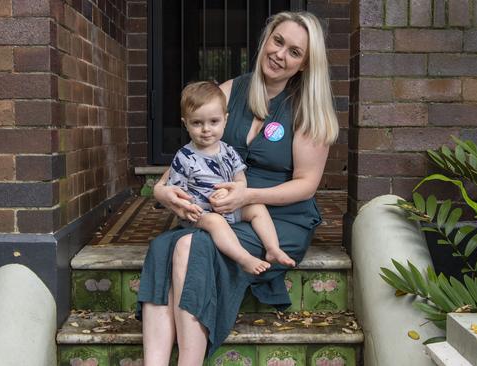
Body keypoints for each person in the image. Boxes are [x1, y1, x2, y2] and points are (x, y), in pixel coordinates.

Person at [137, 11, 339, 365]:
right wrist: (162, 193)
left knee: (191, 246)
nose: (280, 54)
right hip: (222, 211)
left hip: (278, 217)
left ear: (306, 64)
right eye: (278, 42)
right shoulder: (231, 91)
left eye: (295, 52)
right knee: (162, 248)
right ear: (267, 39)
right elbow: (180, 164)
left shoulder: (307, 109)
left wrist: (248, 195)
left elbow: (306, 185)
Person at [168, 81, 295, 275]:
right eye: (197, 123)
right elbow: (176, 193)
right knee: (215, 222)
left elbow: (240, 179)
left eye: (213, 121)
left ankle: (272, 248)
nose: (206, 129)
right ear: (185, 124)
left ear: (225, 120)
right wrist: (188, 208)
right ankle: (244, 258)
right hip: (200, 215)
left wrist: (235, 192)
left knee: (257, 208)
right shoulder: (183, 157)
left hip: (230, 206)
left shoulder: (228, 151)